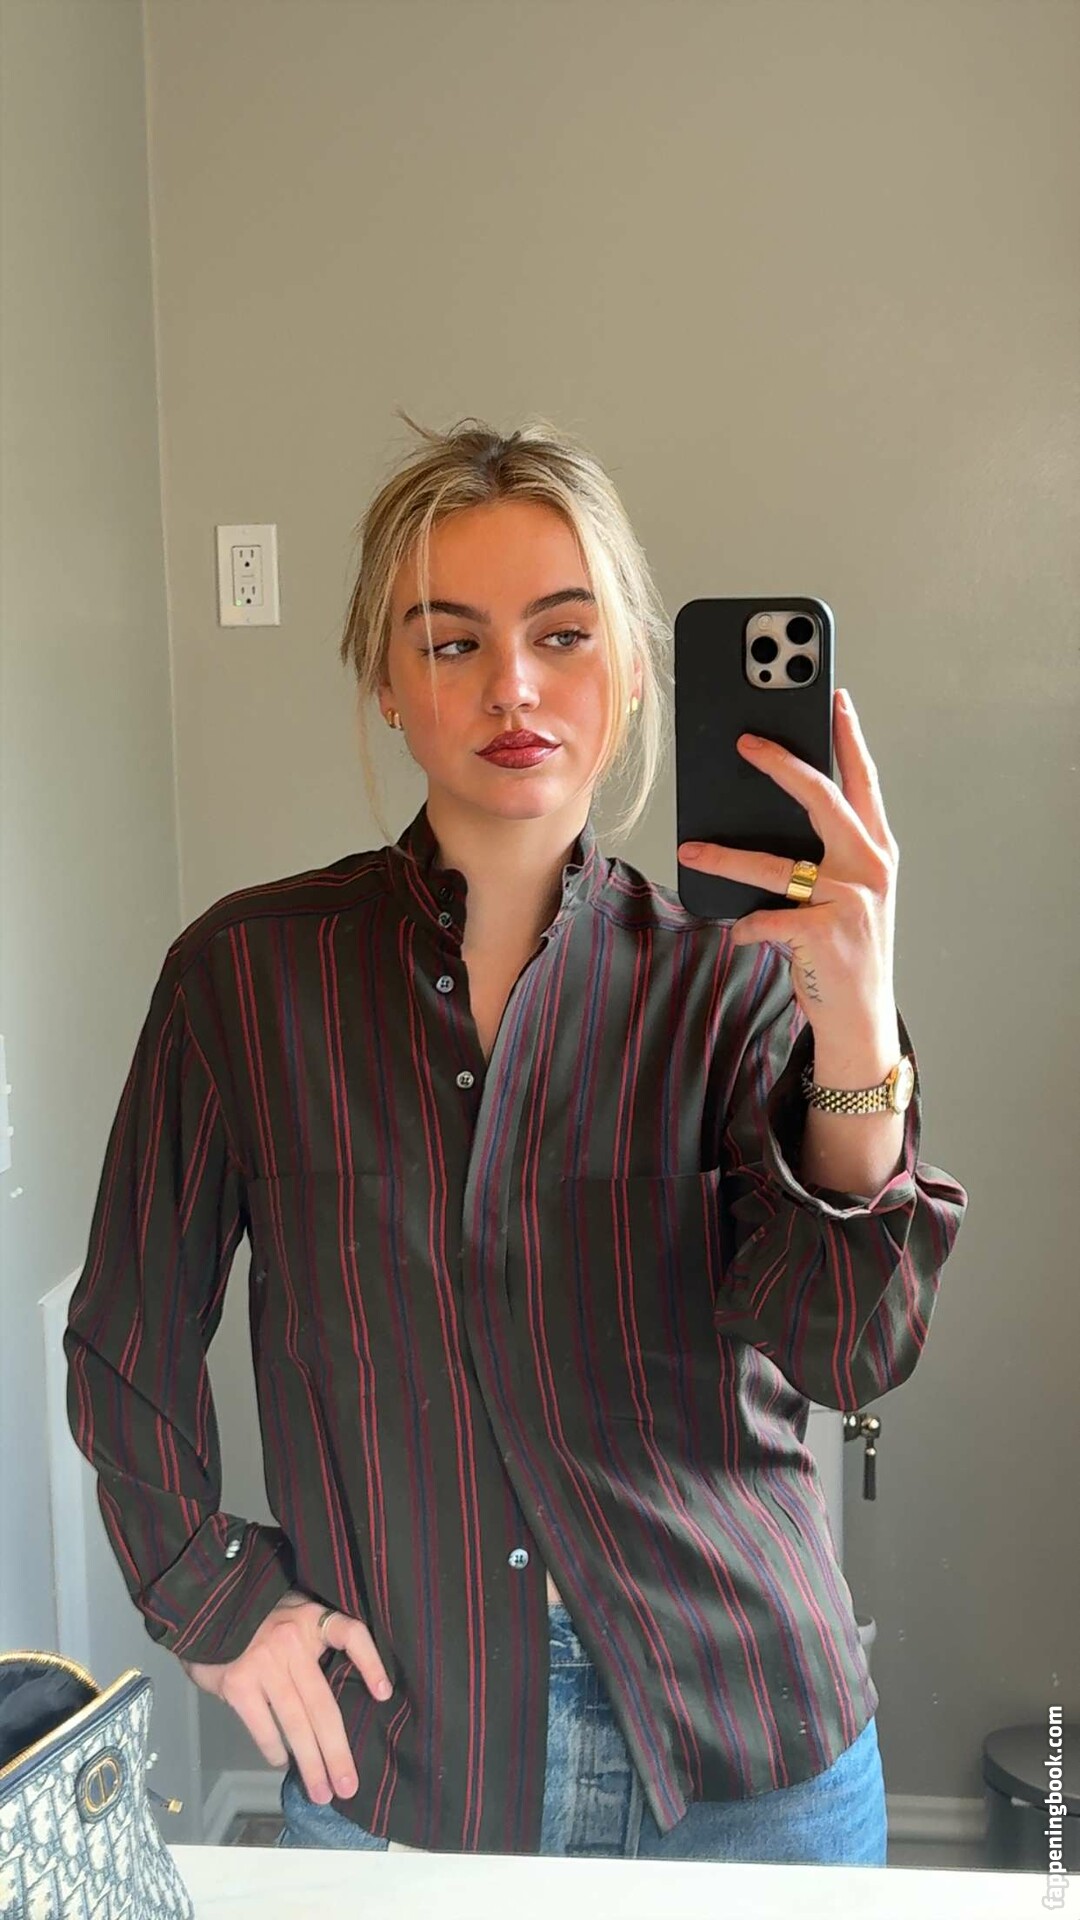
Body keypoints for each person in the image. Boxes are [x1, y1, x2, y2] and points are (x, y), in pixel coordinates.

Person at [64, 412, 968, 1864]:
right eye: (451, 642)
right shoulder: (246, 976)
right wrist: (217, 1605)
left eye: (563, 634)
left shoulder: (741, 978)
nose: (513, 686)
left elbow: (846, 1350)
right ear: (382, 680)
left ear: (630, 669)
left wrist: (857, 1035)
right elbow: (127, 1339)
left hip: (748, 1758)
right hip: (404, 1758)